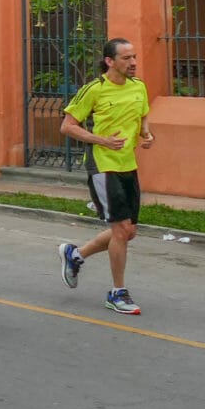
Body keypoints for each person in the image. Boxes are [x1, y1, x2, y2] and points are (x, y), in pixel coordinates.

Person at [58, 37, 156, 315]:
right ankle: (117, 293)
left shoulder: (139, 87)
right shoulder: (94, 89)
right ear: (109, 61)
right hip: (102, 165)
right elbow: (68, 126)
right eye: (126, 58)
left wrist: (147, 134)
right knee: (121, 231)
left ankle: (75, 255)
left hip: (128, 165)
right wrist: (101, 140)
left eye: (134, 57)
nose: (133, 62)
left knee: (129, 232)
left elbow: (143, 117)